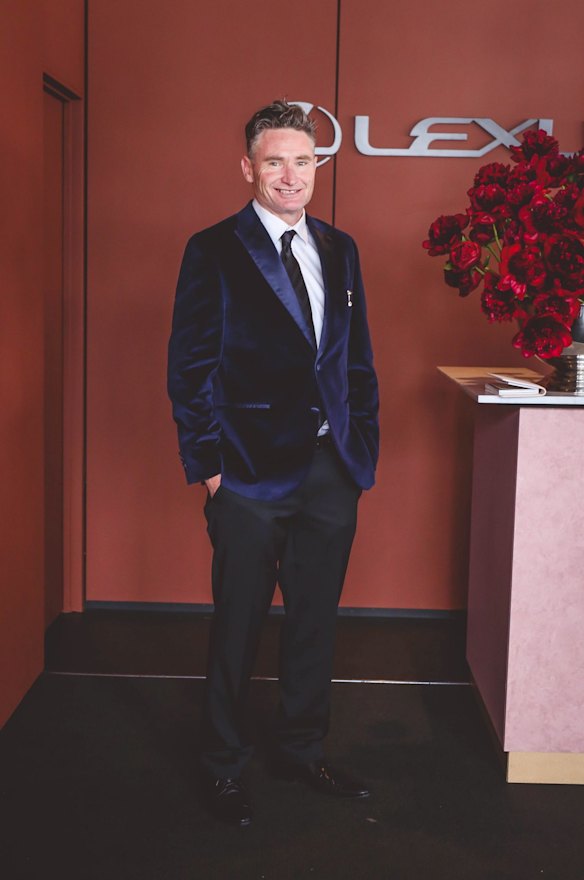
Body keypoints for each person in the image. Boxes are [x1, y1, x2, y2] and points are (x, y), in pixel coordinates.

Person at [167, 100, 379, 827]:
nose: (291, 175)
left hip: (330, 470)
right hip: (247, 475)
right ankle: (223, 765)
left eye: (303, 160)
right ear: (248, 168)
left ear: (318, 165)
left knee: (315, 621)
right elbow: (189, 367)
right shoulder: (213, 248)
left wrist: (360, 453)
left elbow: (356, 362)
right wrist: (211, 467)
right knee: (238, 624)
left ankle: (300, 747)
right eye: (275, 161)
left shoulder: (341, 248)